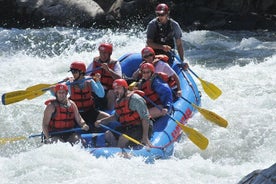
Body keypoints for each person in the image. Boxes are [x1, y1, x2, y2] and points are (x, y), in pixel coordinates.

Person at [95, 79, 152, 148]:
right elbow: (116, 116)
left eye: (118, 88)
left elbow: (145, 117)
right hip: (128, 127)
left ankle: (119, 153)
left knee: (123, 138)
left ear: (125, 88)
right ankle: (116, 150)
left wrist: (145, 137)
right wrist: (101, 121)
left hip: (141, 127)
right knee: (108, 134)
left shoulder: (135, 99)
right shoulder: (118, 100)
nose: (116, 91)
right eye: (115, 89)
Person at [66, 61, 110, 132]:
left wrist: (98, 81)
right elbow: (59, 94)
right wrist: (55, 88)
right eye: (72, 72)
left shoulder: (89, 81)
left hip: (90, 111)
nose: (73, 74)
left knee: (107, 118)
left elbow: (101, 95)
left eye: (75, 72)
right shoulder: (69, 83)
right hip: (77, 114)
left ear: (81, 72)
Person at [87, 43, 122, 111]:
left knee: (111, 93)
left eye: (105, 53)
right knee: (87, 85)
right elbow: (85, 75)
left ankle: (110, 112)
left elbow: (119, 79)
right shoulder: (95, 61)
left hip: (108, 91)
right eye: (101, 53)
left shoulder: (115, 64)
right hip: (96, 89)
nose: (102, 55)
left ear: (110, 54)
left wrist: (109, 70)